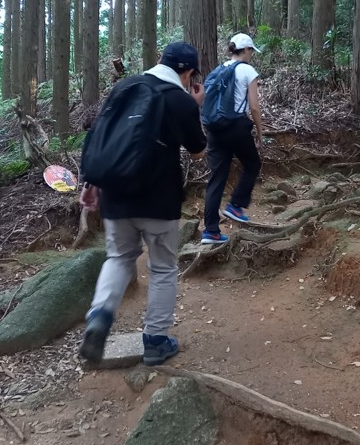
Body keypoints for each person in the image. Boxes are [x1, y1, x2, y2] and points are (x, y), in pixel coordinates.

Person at [79, 42, 206, 366]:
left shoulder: (125, 86)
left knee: (119, 258)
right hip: (159, 200)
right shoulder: (181, 100)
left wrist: (92, 182)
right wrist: (196, 105)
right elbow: (197, 151)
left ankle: (99, 317)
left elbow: (106, 136)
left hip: (117, 196)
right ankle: (155, 342)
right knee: (163, 267)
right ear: (188, 72)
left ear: (158, 59)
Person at [202, 33, 263, 244]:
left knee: (216, 179)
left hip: (214, 129)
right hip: (236, 126)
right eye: (251, 50)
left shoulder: (219, 69)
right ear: (245, 50)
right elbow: (254, 107)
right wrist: (260, 132)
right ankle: (236, 206)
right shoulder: (248, 70)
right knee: (253, 164)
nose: (252, 54)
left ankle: (210, 231)